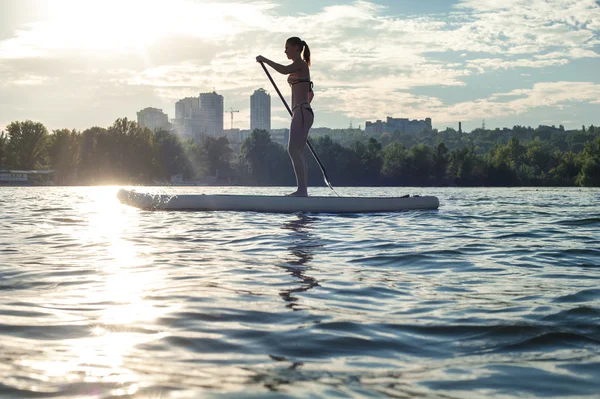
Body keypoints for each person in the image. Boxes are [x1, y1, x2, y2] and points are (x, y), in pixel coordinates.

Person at [256, 37, 314, 197]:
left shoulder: (300, 64)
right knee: (297, 152)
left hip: (302, 112)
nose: (285, 51)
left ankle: (302, 191)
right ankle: (303, 191)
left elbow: (283, 70)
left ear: (296, 48)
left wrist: (264, 60)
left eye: (287, 47)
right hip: (302, 112)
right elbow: (311, 94)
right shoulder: (301, 68)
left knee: (292, 150)